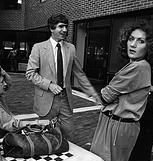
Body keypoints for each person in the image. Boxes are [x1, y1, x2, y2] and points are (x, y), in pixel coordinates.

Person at [90, 19, 153, 161]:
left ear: (150, 47)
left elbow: (105, 96)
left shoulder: (138, 67)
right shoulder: (138, 65)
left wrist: (108, 92)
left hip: (117, 125)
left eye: (141, 41)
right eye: (131, 39)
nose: (133, 44)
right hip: (120, 124)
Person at [26, 13, 101, 142]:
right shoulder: (38, 48)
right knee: (46, 136)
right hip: (46, 99)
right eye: (61, 26)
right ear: (52, 28)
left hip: (65, 98)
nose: (65, 30)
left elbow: (79, 73)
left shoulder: (70, 48)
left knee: (69, 133)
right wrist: (49, 84)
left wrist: (92, 92)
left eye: (66, 26)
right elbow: (30, 73)